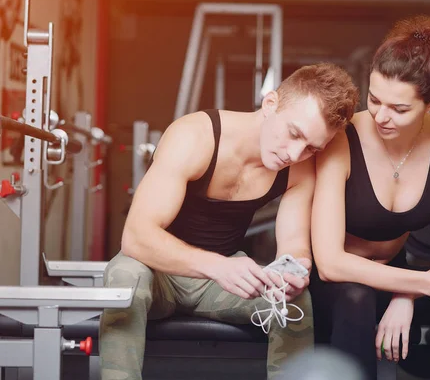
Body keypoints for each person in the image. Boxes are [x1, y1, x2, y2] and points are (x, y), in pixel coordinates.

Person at [99, 62, 360, 380]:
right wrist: (218, 266)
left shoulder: (299, 168)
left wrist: (294, 270)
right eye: (293, 134)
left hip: (220, 283)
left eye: (310, 148)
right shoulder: (195, 136)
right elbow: (136, 237)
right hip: (159, 274)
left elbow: (293, 243)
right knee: (126, 274)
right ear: (270, 104)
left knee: (296, 301)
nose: (294, 153)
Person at [309, 15, 430, 380]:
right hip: (340, 285)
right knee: (358, 298)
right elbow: (329, 262)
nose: (381, 116)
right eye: (374, 99)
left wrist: (408, 296)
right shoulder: (344, 136)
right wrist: (429, 284)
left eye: (399, 109)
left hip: (399, 278)